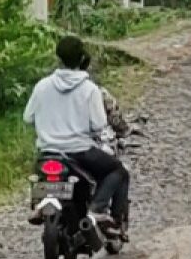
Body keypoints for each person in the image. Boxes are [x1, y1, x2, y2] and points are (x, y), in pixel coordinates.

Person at [23, 36, 129, 232]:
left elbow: (28, 117)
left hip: (48, 152)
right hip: (80, 153)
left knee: (39, 175)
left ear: (58, 57)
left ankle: (41, 201)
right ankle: (100, 211)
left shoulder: (42, 86)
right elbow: (99, 124)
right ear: (82, 59)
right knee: (118, 171)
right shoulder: (89, 89)